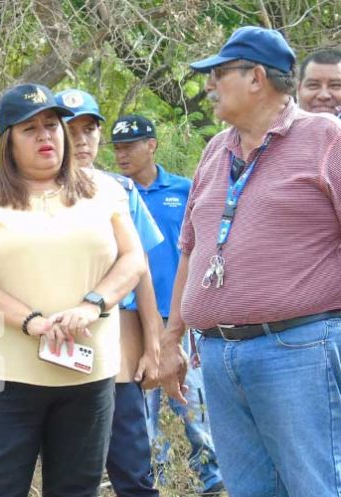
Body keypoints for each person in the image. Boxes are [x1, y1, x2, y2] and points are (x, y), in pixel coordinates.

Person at [160, 26, 341, 497]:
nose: (209, 85)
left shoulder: (326, 137)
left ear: (257, 77)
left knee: (317, 487)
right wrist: (171, 337)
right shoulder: (215, 150)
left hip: (300, 349)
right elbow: (191, 248)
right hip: (219, 356)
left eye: (220, 74)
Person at [0, 83, 146, 497]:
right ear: (8, 141)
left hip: (87, 376)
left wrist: (93, 305)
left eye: (52, 124)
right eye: (29, 128)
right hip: (7, 375)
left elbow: (132, 261)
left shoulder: (103, 189)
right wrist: (30, 321)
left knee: (76, 489)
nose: (45, 135)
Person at [55, 88, 163, 497]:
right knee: (69, 466)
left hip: (117, 336)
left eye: (90, 129)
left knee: (131, 463)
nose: (82, 141)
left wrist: (153, 344)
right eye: (71, 130)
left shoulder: (121, 190)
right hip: (56, 337)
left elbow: (142, 272)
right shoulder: (28, 192)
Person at [110, 114, 224, 496]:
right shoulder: (115, 193)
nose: (121, 155)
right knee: (142, 408)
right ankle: (152, 474)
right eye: (117, 148)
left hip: (176, 317)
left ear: (152, 145)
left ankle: (211, 476)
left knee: (190, 400)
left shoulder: (184, 190)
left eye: (129, 146)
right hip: (130, 319)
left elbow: (201, 249)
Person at [297, 48, 341, 115]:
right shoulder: (278, 124)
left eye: (335, 85)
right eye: (313, 85)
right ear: (299, 89)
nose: (323, 95)